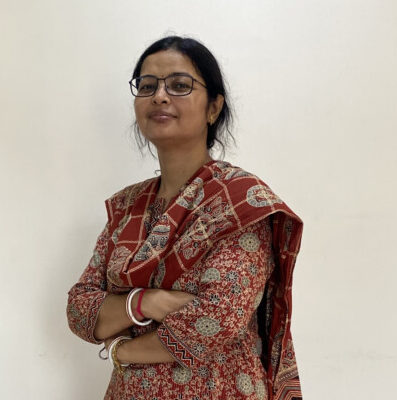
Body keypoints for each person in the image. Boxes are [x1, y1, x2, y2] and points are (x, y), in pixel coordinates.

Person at [67, 35, 304, 400]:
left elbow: (216, 317)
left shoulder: (240, 201)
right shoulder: (128, 205)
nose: (159, 96)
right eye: (147, 86)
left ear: (213, 108)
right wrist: (148, 302)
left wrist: (122, 350)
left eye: (179, 85)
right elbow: (80, 310)